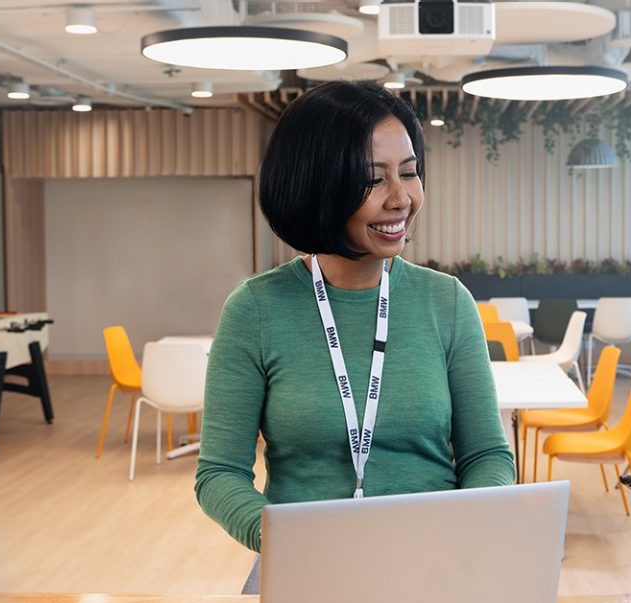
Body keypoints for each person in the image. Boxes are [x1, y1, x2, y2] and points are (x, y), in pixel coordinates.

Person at [194, 80, 516, 592]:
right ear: (317, 184)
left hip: (435, 566)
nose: (401, 199)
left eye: (409, 173)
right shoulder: (256, 308)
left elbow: (487, 456)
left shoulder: (447, 301)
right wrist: (283, 537)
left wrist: (467, 523)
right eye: (372, 180)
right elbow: (219, 474)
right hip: (306, 566)